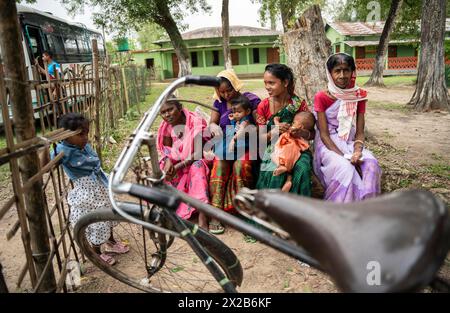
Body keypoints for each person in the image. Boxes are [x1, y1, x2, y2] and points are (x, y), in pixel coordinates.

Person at [49, 113, 129, 266]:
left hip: (100, 185)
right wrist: (47, 144)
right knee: (96, 221)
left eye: (86, 132)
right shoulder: (61, 150)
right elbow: (46, 167)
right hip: (87, 192)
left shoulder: (83, 145)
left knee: (109, 213)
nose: (85, 137)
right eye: (80, 134)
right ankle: (96, 252)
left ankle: (111, 242)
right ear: (66, 135)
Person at [313, 53, 381, 202]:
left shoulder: (359, 95)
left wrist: (357, 152)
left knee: (371, 164)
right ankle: (341, 209)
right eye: (337, 71)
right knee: (345, 168)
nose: (342, 75)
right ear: (330, 73)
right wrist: (345, 156)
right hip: (328, 143)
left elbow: (360, 132)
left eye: (346, 70)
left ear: (352, 72)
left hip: (348, 141)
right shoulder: (321, 97)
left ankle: (368, 205)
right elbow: (324, 135)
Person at [208, 69, 261, 234]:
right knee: (219, 164)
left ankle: (243, 211)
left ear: (235, 85)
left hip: (247, 142)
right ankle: (216, 213)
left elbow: (259, 124)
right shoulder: (218, 102)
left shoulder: (250, 99)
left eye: (229, 90)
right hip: (226, 143)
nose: (226, 95)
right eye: (221, 92)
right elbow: (212, 123)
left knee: (241, 166)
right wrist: (214, 127)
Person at [255, 63, 314, 196]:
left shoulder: (298, 104)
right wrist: (275, 131)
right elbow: (260, 139)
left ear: (285, 82)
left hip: (297, 148)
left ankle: (298, 211)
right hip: (272, 149)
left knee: (302, 168)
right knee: (273, 169)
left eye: (271, 83)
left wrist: (300, 132)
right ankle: (271, 210)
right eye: (265, 83)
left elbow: (312, 134)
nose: (267, 87)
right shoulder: (263, 106)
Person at [157, 98, 211, 230]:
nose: (167, 115)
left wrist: (178, 166)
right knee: (162, 169)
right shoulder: (165, 128)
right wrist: (169, 162)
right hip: (178, 161)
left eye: (170, 109)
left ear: (180, 107)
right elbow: (167, 150)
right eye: (163, 112)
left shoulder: (196, 122)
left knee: (196, 167)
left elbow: (198, 152)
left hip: (199, 158)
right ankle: (168, 207)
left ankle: (202, 215)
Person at [271, 111, 316, 192]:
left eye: (293, 122)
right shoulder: (264, 106)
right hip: (295, 153)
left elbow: (313, 134)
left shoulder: (294, 130)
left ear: (300, 126)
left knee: (273, 155)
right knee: (291, 167)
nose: (292, 124)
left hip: (287, 149)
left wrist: (276, 121)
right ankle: (288, 180)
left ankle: (280, 166)